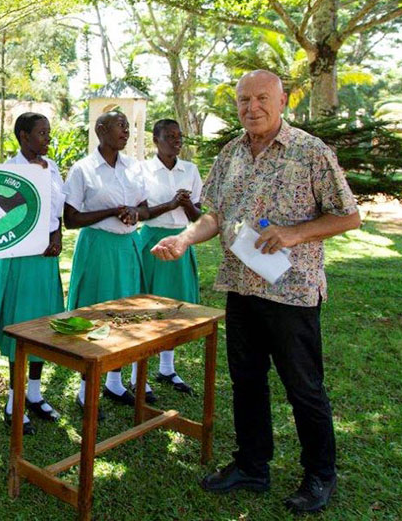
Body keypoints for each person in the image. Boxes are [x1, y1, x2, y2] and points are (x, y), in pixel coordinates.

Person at [152, 70, 360, 514]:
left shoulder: (310, 152)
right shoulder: (230, 153)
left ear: (283, 101)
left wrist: (293, 233)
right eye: (244, 100)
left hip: (292, 293)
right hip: (241, 288)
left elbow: (347, 216)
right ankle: (252, 465)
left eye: (262, 98)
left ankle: (320, 474)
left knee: (304, 388)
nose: (252, 107)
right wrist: (184, 239)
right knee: (246, 382)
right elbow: (214, 215)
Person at [63, 110, 154, 414]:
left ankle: (114, 382)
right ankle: (86, 389)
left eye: (128, 127)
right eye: (120, 126)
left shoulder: (133, 167)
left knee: (123, 314)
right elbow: (71, 219)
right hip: (98, 247)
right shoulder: (84, 169)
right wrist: (112, 211)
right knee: (94, 312)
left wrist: (134, 213)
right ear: (100, 129)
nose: (126, 132)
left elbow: (144, 205)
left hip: (127, 246)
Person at [0, 112, 65, 434]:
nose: (47, 138)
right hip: (20, 260)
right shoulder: (10, 170)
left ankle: (34, 393)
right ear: (23, 136)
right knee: (21, 329)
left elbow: (58, 212)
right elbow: (2, 216)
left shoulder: (53, 167)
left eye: (48, 132)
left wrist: (57, 236)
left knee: (43, 327)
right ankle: (14, 401)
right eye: (42, 133)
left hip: (46, 260)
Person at [139, 118, 203, 395]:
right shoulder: (142, 170)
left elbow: (199, 218)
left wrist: (187, 204)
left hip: (179, 240)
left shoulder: (189, 170)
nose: (177, 141)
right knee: (145, 305)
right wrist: (170, 204)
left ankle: (167, 367)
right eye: (170, 136)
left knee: (174, 306)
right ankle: (137, 373)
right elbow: (141, 212)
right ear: (156, 140)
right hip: (152, 239)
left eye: (180, 136)